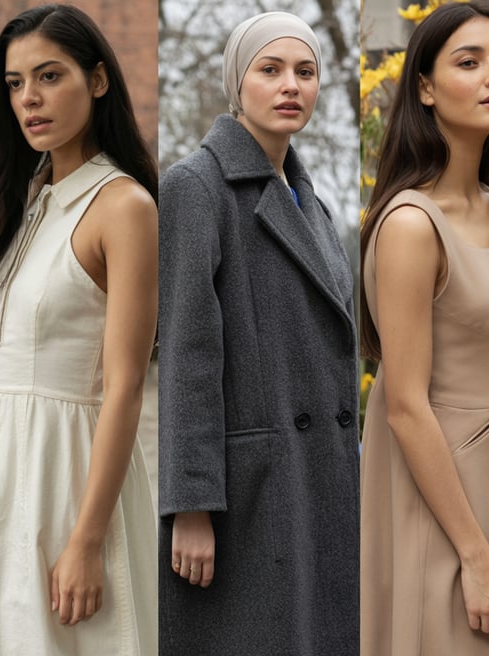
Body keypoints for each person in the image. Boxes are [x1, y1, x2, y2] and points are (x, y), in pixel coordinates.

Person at [359, 3, 489, 654]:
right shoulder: (411, 225)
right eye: (469, 62)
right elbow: (404, 406)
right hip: (449, 495)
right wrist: (475, 558)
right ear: (424, 88)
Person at [0, 4, 158, 654]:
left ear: (97, 80)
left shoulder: (124, 206)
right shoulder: (16, 208)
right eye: (15, 83)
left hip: (68, 481)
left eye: (48, 76)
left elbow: (125, 386)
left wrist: (87, 540)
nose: (29, 99)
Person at [158, 11, 359, 654]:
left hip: (318, 478)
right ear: (237, 83)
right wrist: (190, 505)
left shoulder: (312, 201)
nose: (290, 85)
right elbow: (188, 353)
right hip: (250, 489)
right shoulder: (195, 186)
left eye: (305, 71)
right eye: (270, 70)